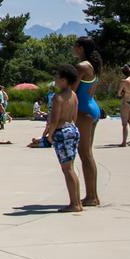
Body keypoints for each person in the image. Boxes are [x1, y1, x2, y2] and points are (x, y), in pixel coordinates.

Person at [43, 64, 83, 213]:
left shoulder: (58, 97)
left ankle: (75, 204)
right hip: (72, 129)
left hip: (62, 131)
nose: (55, 80)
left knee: (67, 170)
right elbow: (74, 116)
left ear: (64, 80)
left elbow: (54, 119)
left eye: (58, 77)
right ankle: (77, 201)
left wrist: (50, 135)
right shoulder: (74, 95)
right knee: (71, 168)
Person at [72, 36, 102, 207]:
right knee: (87, 153)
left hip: (84, 111)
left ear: (81, 48)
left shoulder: (82, 66)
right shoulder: (93, 65)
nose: (73, 48)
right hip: (93, 108)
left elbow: (72, 91)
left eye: (75, 46)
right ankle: (92, 195)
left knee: (85, 154)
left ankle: (92, 196)